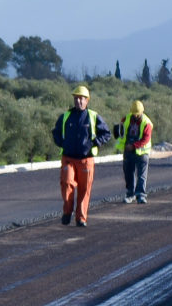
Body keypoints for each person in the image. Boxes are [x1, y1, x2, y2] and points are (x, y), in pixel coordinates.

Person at [53, 83, 114, 227]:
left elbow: (106, 133)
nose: (79, 101)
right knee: (67, 183)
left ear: (87, 100)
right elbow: (55, 133)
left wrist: (94, 143)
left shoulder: (93, 116)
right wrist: (63, 143)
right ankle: (67, 212)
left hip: (86, 160)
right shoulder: (66, 116)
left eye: (82, 98)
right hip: (68, 158)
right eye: (76, 98)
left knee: (84, 189)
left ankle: (81, 218)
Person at [120, 99, 154, 203]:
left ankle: (141, 195)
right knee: (128, 173)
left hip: (142, 153)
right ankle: (130, 194)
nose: (135, 116)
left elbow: (146, 139)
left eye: (137, 114)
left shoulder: (147, 123)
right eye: (134, 114)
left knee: (141, 175)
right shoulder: (126, 118)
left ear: (142, 112)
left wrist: (133, 146)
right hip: (128, 152)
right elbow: (120, 129)